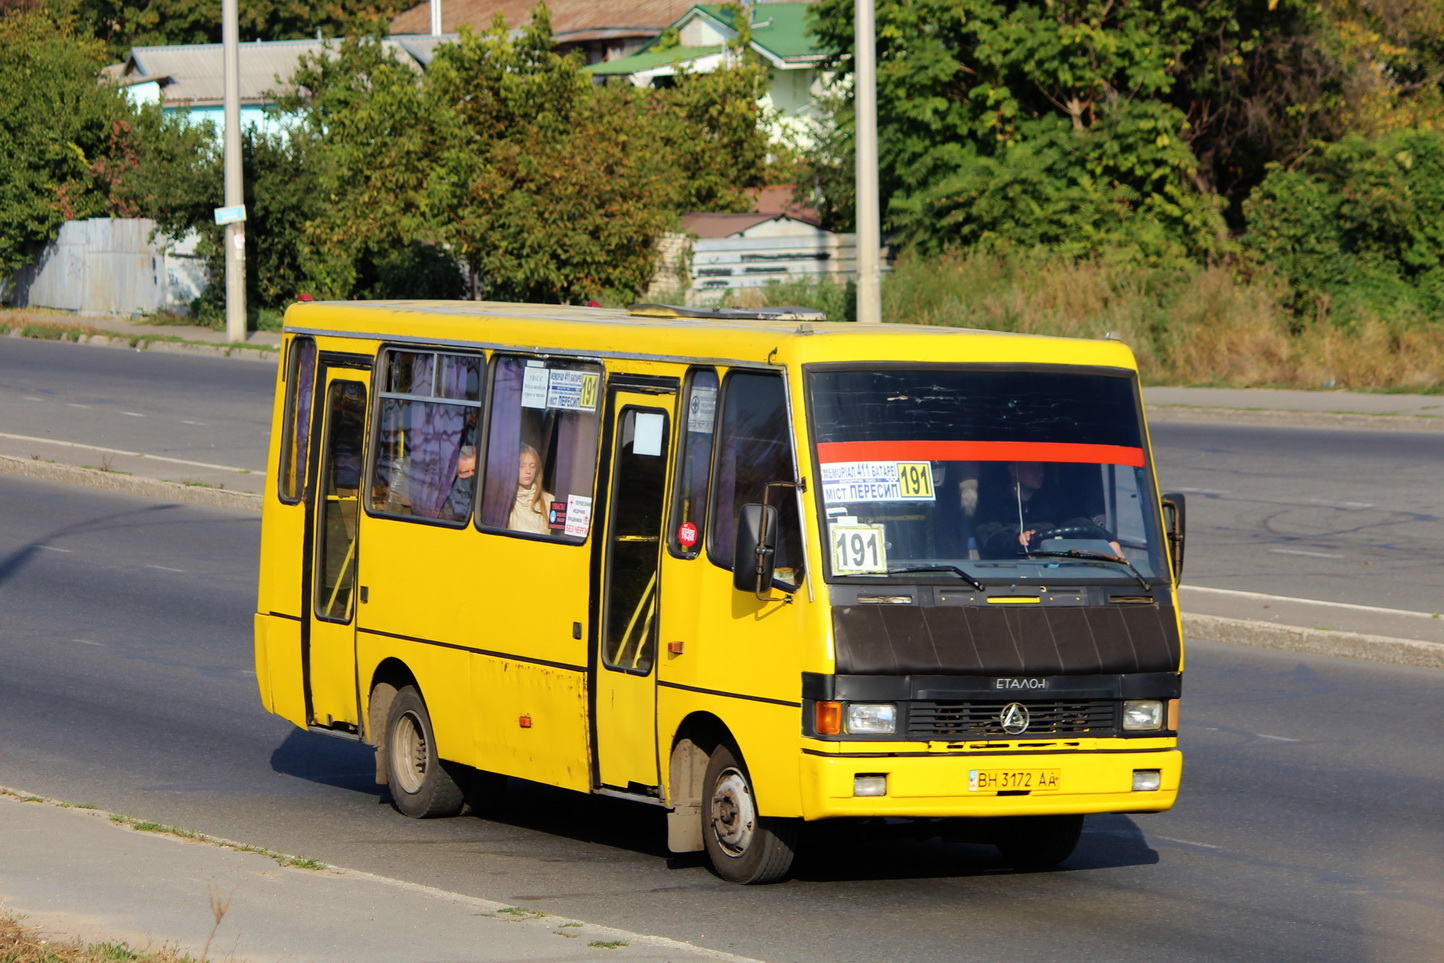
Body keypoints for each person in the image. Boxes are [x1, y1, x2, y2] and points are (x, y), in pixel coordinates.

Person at [508, 444, 554, 534]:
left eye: (532, 466)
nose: (528, 471)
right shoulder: (504, 504)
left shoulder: (550, 501)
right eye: (522, 466)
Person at [440, 445, 476, 520]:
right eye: (465, 472)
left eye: (473, 470)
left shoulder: (485, 488)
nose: (471, 475)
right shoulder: (449, 494)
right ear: (456, 473)